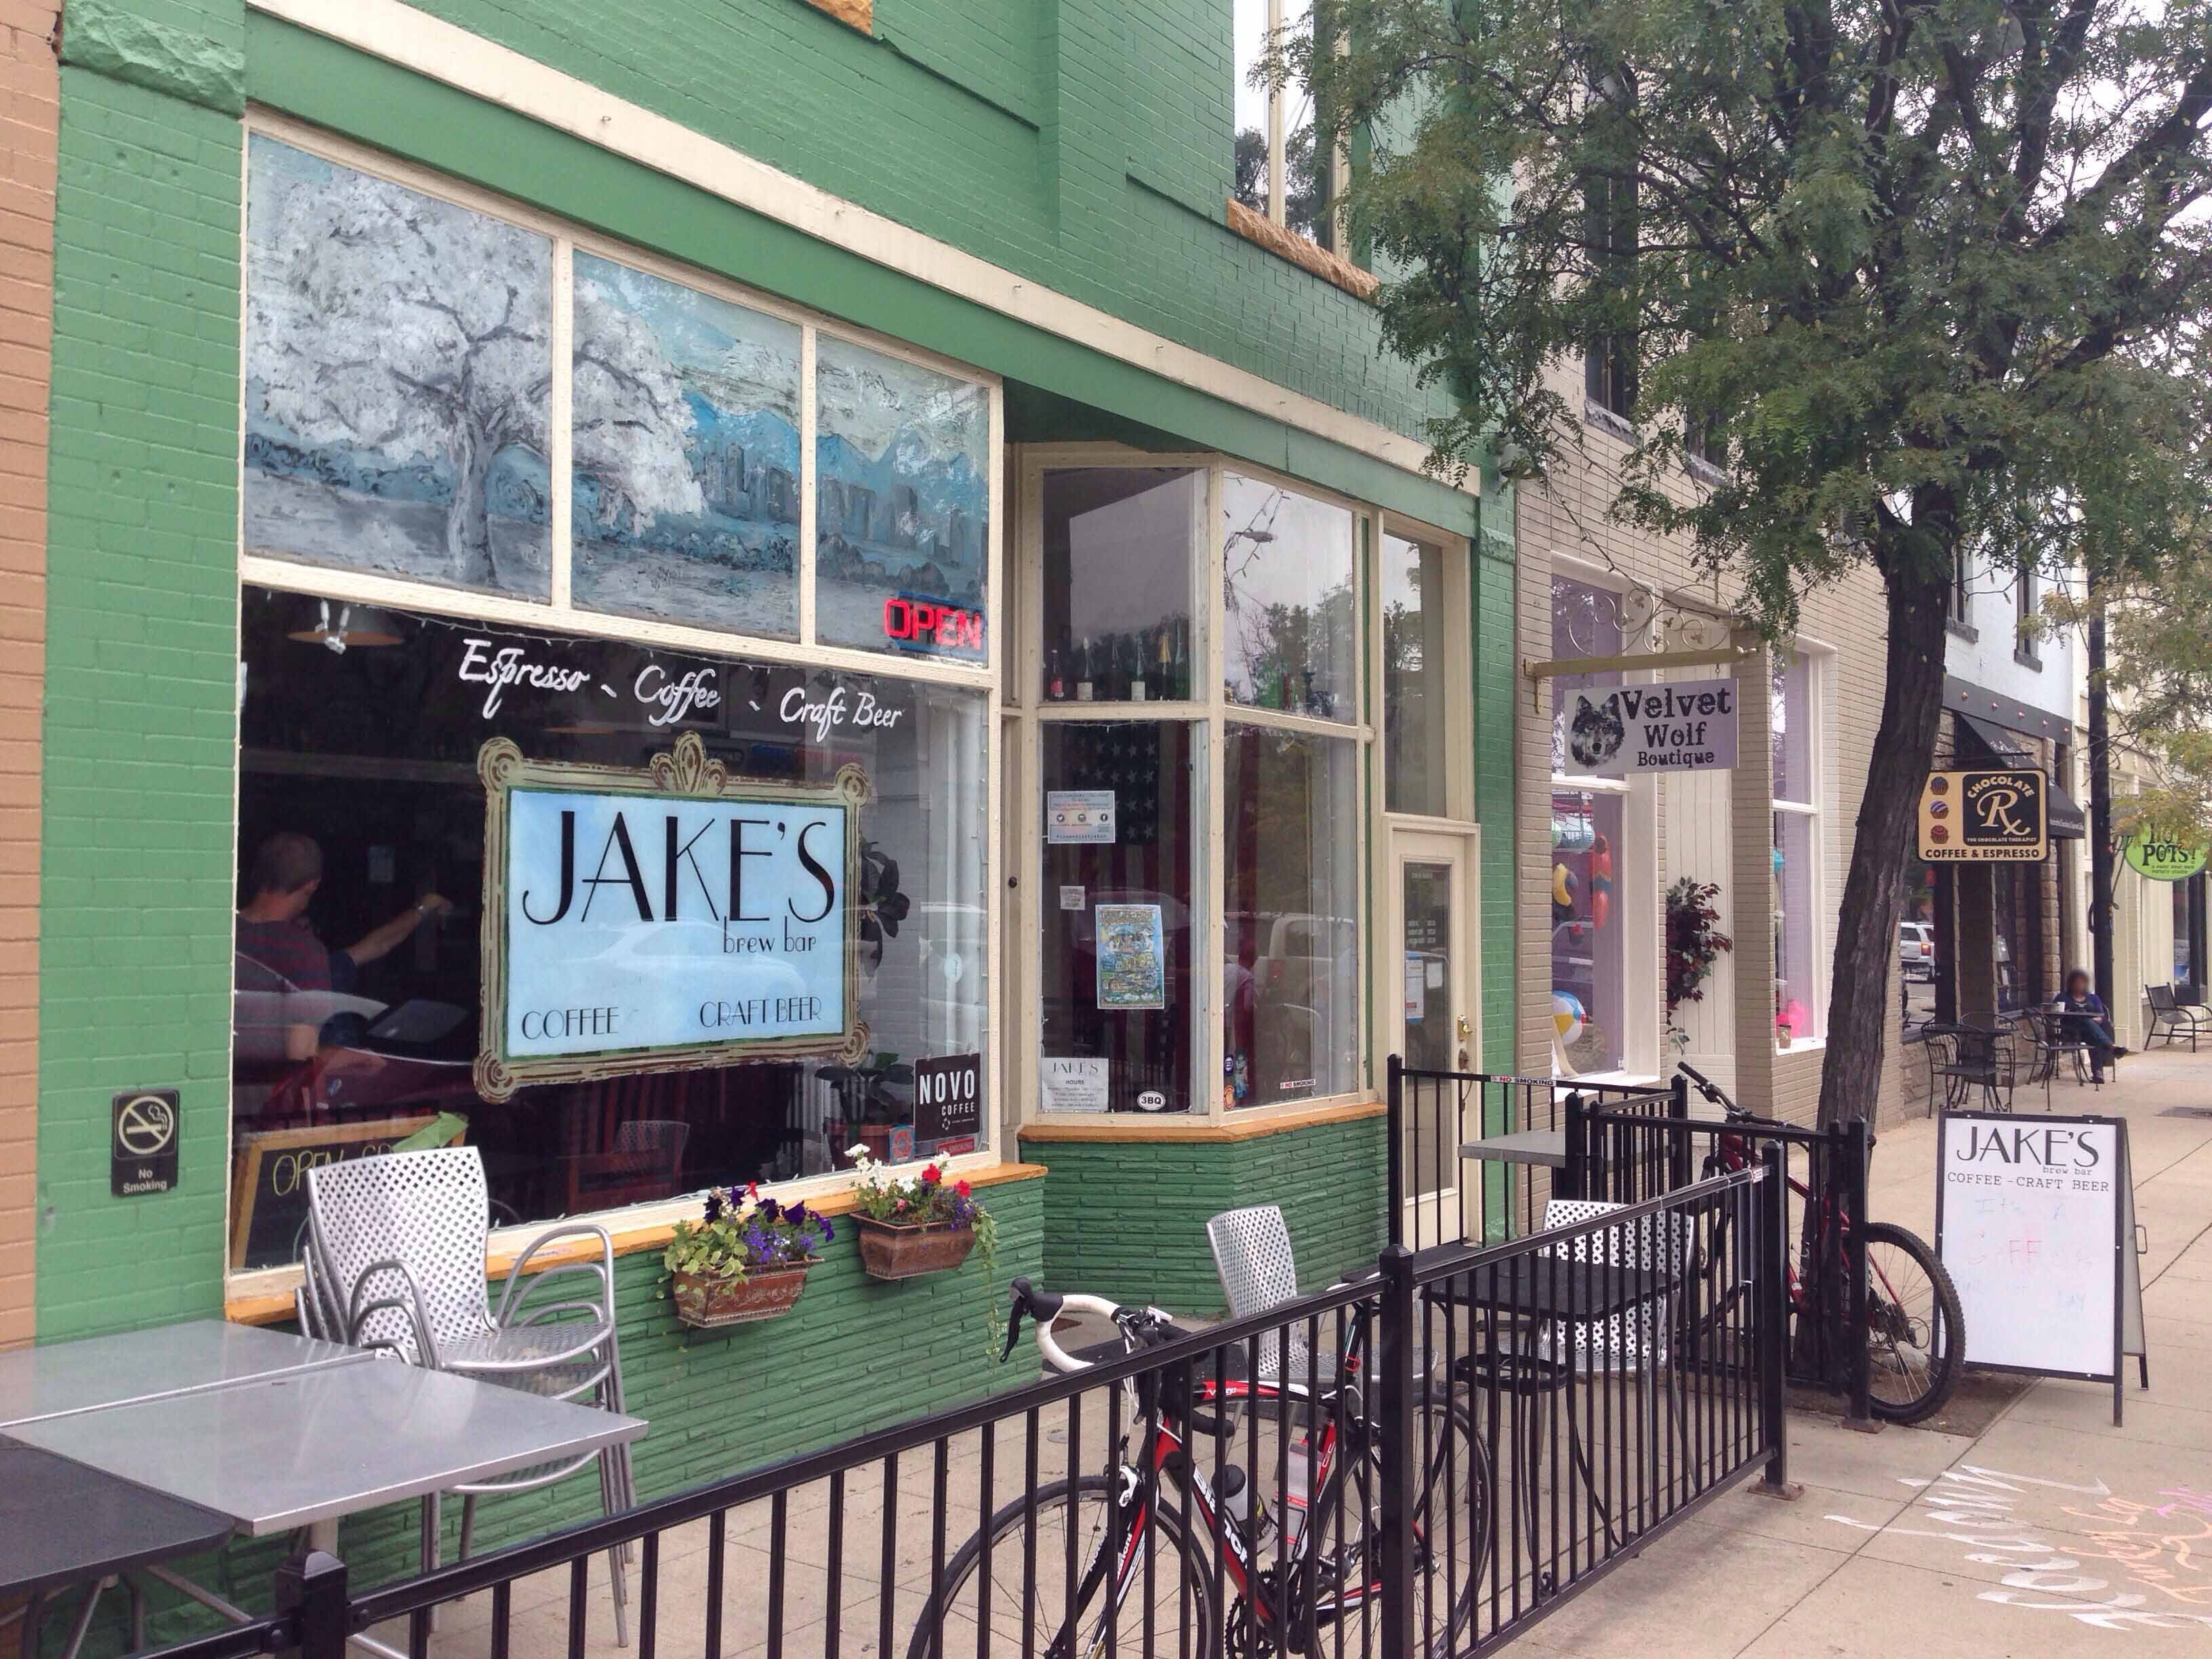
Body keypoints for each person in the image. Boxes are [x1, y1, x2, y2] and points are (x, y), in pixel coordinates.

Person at [236, 832, 452, 997]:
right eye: (305, 927)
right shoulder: (307, 955)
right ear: (312, 886)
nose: (302, 930)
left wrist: (425, 907)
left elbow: (378, 944)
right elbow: (379, 944)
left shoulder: (221, 936)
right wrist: (425, 907)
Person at [2056, 967, 2126, 1083]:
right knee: (2091, 1028)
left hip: (2089, 1031)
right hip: (2072, 1030)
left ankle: (2098, 1075)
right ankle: (2111, 1048)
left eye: (2082, 983)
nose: (2079, 985)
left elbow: (2101, 1015)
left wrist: (2095, 1020)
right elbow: (2055, 1013)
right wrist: (2064, 1012)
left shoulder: (2093, 998)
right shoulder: (2063, 997)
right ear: (2071, 983)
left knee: (2093, 1032)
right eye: (2077, 982)